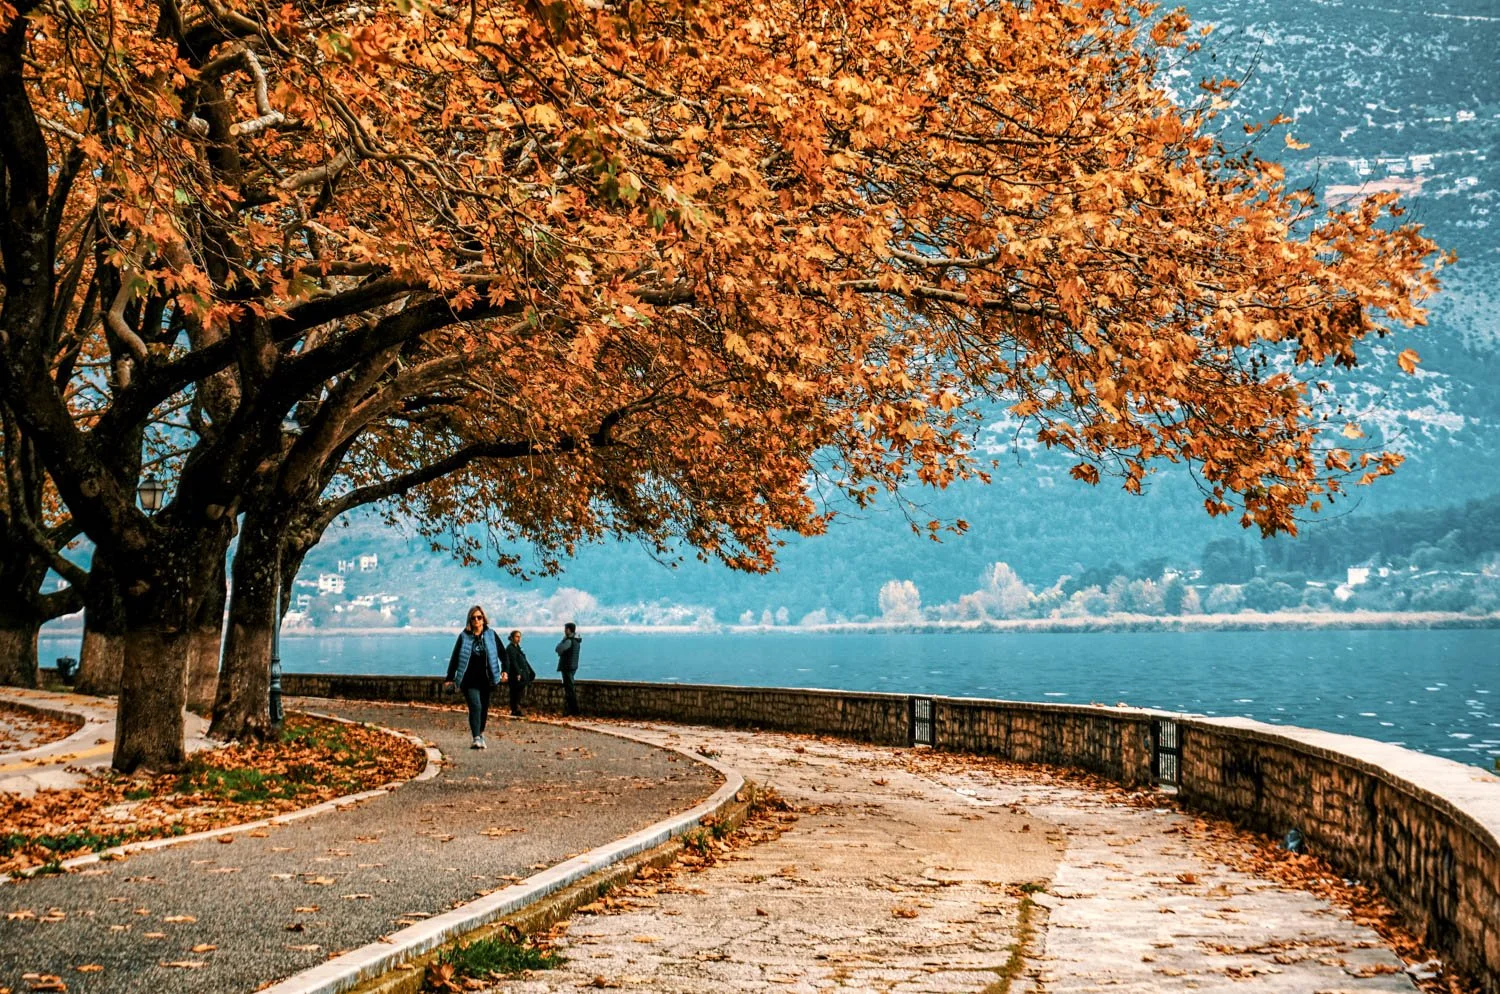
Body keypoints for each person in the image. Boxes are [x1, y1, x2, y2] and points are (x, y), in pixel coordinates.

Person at [445, 605, 502, 749]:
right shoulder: (464, 636)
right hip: (468, 680)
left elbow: (503, 653)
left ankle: (480, 733)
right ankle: (476, 737)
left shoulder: (491, 635)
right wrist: (449, 678)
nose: (476, 620)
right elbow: (455, 657)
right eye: (473, 618)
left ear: (484, 619)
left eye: (479, 617)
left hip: (487, 679)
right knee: (475, 706)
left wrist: (505, 670)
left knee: (483, 709)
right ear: (469, 620)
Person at [501, 629, 535, 717]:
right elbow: (513, 661)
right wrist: (518, 673)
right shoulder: (510, 649)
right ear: (512, 638)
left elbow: (524, 660)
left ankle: (517, 709)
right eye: (517, 636)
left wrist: (531, 671)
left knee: (519, 693)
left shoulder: (518, 648)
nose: (519, 638)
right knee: (515, 693)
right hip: (514, 675)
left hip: (522, 673)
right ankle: (515, 709)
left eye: (520, 637)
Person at [555, 622, 582, 716]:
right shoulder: (576, 640)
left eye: (565, 629)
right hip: (573, 666)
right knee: (570, 688)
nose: (564, 631)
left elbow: (558, 649)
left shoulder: (568, 641)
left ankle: (573, 710)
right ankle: (572, 710)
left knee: (569, 689)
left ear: (569, 630)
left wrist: (562, 641)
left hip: (567, 666)